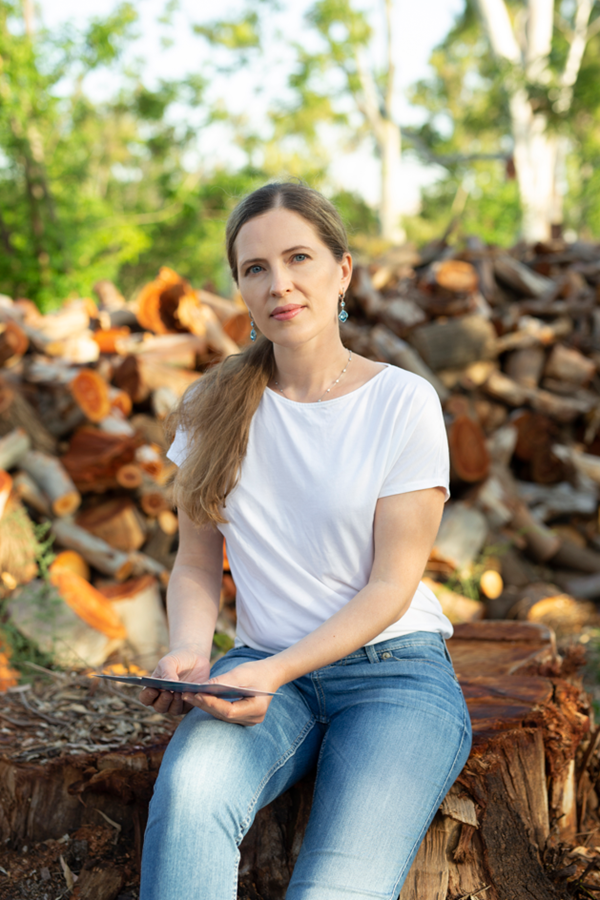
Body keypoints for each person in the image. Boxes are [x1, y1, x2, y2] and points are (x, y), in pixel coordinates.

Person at [139, 181, 472, 900]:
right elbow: (195, 563)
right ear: (239, 287)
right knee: (188, 802)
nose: (279, 284)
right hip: (261, 667)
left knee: (333, 889)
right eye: (255, 268)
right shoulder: (211, 405)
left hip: (395, 675)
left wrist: (277, 670)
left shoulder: (401, 401)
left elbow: (392, 587)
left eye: (299, 258)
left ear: (343, 271)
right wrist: (191, 653)